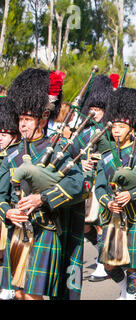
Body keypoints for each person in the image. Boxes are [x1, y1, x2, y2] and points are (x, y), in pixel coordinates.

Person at [0, 68, 84, 300]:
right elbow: (1, 195)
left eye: (27, 119)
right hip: (19, 232)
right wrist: (8, 213)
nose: (22, 125)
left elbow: (78, 184)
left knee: (32, 296)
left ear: (43, 118)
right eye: (20, 119)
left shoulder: (59, 149)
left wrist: (43, 198)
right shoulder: (12, 155)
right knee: (18, 294)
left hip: (46, 229)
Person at [94, 85, 136, 300]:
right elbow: (99, 187)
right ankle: (123, 289)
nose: (116, 130)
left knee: (131, 267)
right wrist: (108, 203)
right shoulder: (106, 156)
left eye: (121, 126)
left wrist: (131, 194)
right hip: (114, 219)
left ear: (132, 128)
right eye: (114, 126)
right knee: (108, 263)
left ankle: (131, 295)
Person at [73, 74, 115, 284]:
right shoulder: (85, 130)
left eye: (99, 109)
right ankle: (103, 257)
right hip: (85, 183)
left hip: (103, 183)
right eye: (93, 108)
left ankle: (101, 263)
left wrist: (98, 162)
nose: (94, 112)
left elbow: (114, 157)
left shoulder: (110, 131)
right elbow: (73, 153)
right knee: (86, 225)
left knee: (100, 225)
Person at [0, 97, 21, 300]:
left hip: (14, 212)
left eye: (5, 134)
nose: (0, 138)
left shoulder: (14, 155)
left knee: (9, 251)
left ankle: (8, 285)